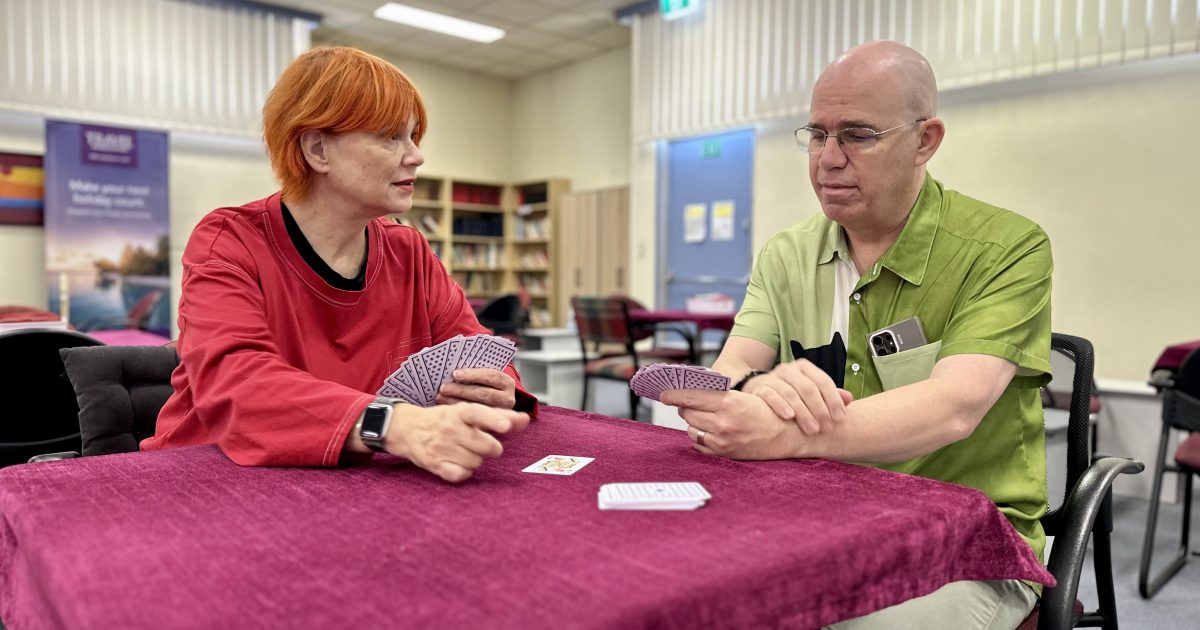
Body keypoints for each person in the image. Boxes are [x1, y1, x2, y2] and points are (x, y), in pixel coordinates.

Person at [661, 41, 1052, 629]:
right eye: (817, 135)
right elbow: (730, 369)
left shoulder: (1008, 248)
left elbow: (953, 409)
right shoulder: (785, 254)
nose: (827, 159)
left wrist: (784, 434)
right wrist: (756, 384)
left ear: (926, 140)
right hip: (820, 514)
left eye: (858, 134)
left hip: (966, 539)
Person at [144, 47, 535, 483]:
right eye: (390, 136)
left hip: (351, 481)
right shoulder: (228, 240)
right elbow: (238, 385)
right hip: (205, 478)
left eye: (413, 137)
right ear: (317, 149)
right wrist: (393, 424)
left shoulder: (410, 251)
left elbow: (479, 349)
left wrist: (499, 388)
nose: (416, 156)